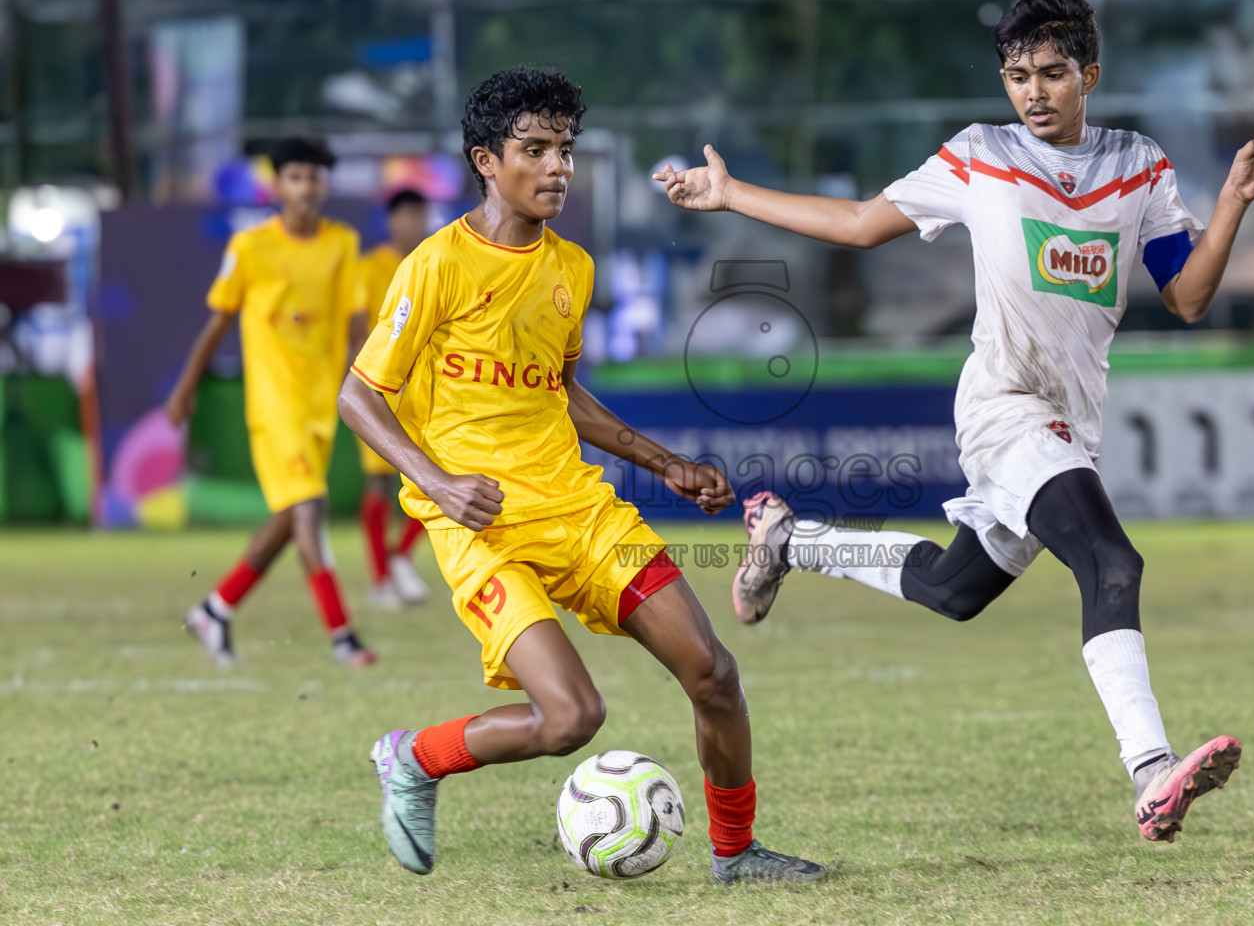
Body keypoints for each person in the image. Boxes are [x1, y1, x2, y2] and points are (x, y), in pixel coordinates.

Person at [654, 0, 1254, 843]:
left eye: (1053, 73)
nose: (1034, 91)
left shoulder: (1138, 167)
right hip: (1004, 407)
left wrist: (1232, 204)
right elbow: (854, 222)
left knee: (954, 592)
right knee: (1113, 564)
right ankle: (1150, 770)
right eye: (1018, 75)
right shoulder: (979, 155)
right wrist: (733, 196)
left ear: (1089, 75)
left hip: (1072, 419)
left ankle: (788, 542)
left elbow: (1186, 296)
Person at [338, 66, 825, 883]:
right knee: (570, 718)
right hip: (481, 528)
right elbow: (358, 395)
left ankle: (736, 854)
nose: (557, 166)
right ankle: (414, 756)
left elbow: (562, 395)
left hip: (579, 512)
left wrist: (665, 463)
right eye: (534, 149)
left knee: (712, 672)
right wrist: (441, 482)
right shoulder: (435, 265)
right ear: (487, 161)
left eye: (565, 148)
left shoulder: (573, 268)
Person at [173, 138, 376, 668]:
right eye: (295, 176)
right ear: (277, 185)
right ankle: (343, 637)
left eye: (315, 176)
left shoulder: (342, 243)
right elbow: (217, 322)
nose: (306, 186)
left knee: (291, 517)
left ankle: (215, 611)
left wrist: (370, 380)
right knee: (309, 510)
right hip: (274, 406)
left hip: (322, 405)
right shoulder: (249, 247)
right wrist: (184, 389)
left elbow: (356, 320)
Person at [354, 188, 433, 609]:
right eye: (408, 216)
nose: (415, 224)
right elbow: (355, 330)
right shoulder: (368, 268)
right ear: (392, 220)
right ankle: (382, 579)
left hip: (426, 392)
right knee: (379, 482)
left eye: (421, 215)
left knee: (436, 474)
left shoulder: (435, 262)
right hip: (380, 389)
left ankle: (401, 556)